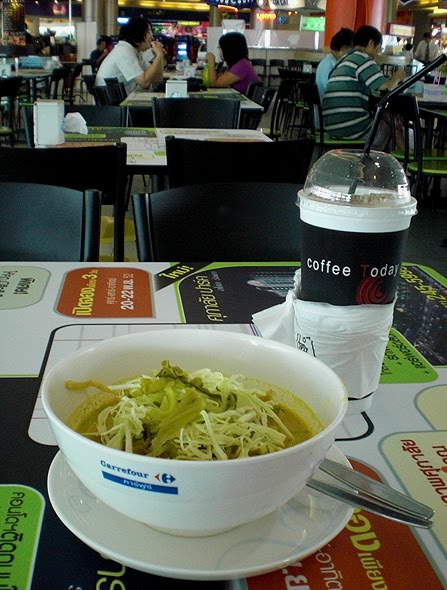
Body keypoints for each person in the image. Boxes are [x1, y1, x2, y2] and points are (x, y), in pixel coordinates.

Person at [322, 25, 406, 151]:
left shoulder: (343, 60)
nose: (377, 54)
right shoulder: (363, 59)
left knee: (386, 116)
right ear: (371, 43)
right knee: (391, 124)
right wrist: (397, 77)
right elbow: (386, 89)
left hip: (332, 127)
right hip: (350, 128)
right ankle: (376, 163)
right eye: (378, 48)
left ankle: (399, 160)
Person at [95, 17, 164, 95]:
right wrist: (158, 55)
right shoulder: (124, 50)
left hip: (120, 102)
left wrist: (159, 56)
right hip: (111, 105)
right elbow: (144, 83)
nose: (152, 37)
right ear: (137, 34)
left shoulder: (136, 52)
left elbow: (158, 78)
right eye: (149, 32)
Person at [316, 27, 354, 101]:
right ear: (344, 48)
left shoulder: (327, 62)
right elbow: (333, 91)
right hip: (330, 107)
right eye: (352, 51)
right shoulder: (330, 65)